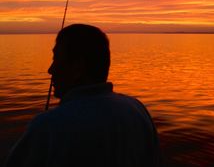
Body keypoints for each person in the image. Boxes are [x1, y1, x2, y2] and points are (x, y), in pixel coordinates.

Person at [5, 24, 162, 167]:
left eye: (56, 59)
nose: (50, 69)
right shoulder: (137, 110)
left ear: (78, 68)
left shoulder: (47, 126)